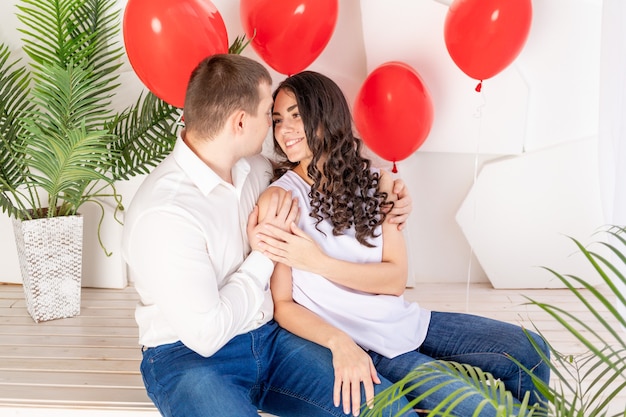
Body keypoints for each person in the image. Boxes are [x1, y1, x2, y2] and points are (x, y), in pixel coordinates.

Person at [121, 54, 415, 417]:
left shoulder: (254, 170)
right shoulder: (164, 214)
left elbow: (315, 172)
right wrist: (263, 254)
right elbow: (207, 335)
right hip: (189, 358)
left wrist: (394, 198)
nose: (276, 128)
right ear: (241, 122)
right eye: (269, 115)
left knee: (388, 410)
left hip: (271, 341)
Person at [255, 71, 551, 416]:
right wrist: (340, 344)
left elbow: (394, 280)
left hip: (409, 322)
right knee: (489, 410)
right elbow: (283, 304)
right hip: (371, 345)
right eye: (278, 120)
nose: (284, 130)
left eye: (296, 115)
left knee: (530, 350)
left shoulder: (378, 183)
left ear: (325, 114)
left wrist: (318, 262)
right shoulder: (280, 200)